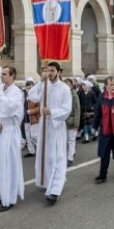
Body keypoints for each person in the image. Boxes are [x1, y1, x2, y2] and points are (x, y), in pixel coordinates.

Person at [27, 62, 72, 205]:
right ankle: (48, 181)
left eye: (52, 70)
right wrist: (40, 82)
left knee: (57, 156)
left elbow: (67, 109)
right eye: (47, 70)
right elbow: (32, 96)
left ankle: (55, 190)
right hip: (43, 125)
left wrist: (52, 112)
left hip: (56, 125)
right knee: (46, 156)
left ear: (58, 72)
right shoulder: (44, 86)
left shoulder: (64, 88)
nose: (50, 73)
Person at [0, 66, 25, 212]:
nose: (1, 76)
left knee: (8, 165)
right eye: (1, 74)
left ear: (12, 76)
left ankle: (9, 198)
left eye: (4, 74)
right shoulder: (0, 91)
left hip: (10, 130)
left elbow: (10, 108)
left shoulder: (17, 93)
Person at [64, 77, 81, 166]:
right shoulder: (62, 95)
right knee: (65, 140)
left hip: (72, 120)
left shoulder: (74, 95)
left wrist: (76, 123)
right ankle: (72, 151)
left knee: (71, 140)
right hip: (63, 121)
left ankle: (70, 158)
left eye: (68, 85)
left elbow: (77, 109)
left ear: (71, 86)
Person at [23, 77, 40, 159]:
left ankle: (41, 148)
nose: (29, 89)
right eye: (27, 88)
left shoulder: (36, 96)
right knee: (28, 137)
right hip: (26, 119)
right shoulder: (24, 95)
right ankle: (31, 151)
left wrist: (31, 111)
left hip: (33, 118)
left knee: (34, 136)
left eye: (30, 88)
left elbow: (39, 107)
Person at [79, 79, 98, 144]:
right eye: (82, 85)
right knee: (84, 125)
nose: (82, 86)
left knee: (91, 125)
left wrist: (93, 106)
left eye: (84, 85)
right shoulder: (81, 93)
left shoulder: (92, 93)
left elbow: (96, 102)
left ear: (88, 86)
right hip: (83, 112)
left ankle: (96, 134)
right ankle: (86, 138)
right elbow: (79, 102)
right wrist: (80, 107)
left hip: (91, 112)